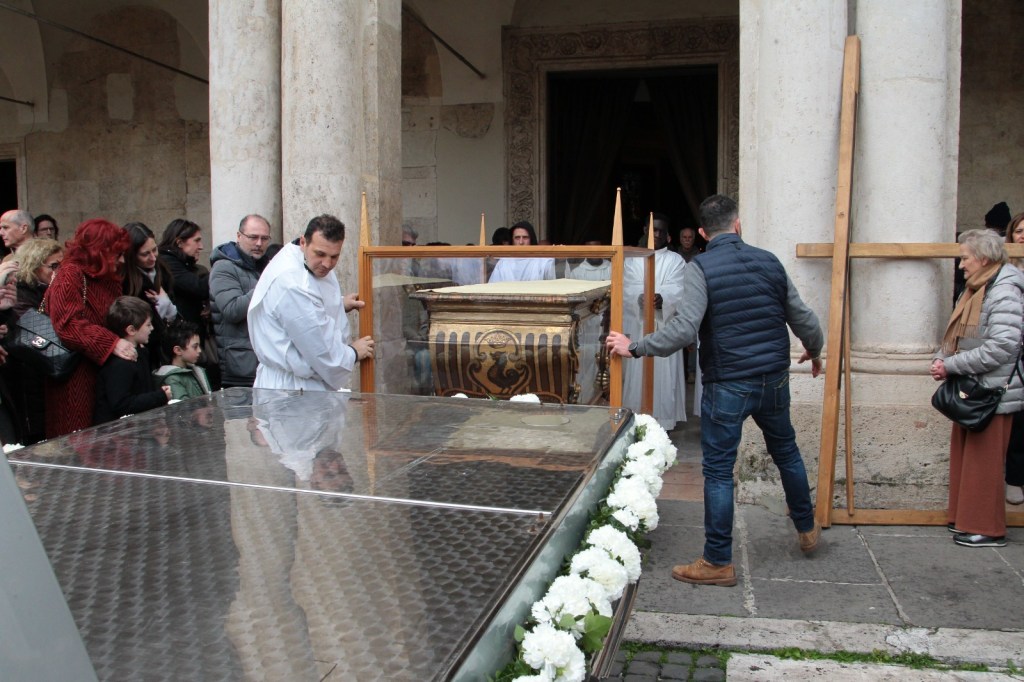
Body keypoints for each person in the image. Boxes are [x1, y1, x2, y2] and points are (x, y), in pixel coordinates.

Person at [606, 194, 824, 586]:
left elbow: (684, 330)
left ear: (703, 233)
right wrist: (815, 349)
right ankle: (807, 528)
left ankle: (718, 561)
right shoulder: (769, 261)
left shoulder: (702, 267)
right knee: (786, 450)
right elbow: (803, 317)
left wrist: (634, 346)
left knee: (719, 471)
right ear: (738, 225)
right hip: (773, 377)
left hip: (728, 382)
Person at [932, 229, 1024, 547]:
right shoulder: (979, 287)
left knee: (983, 464)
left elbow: (1002, 346)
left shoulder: (1004, 290)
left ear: (983, 259)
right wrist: (941, 359)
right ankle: (966, 519)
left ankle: (989, 528)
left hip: (993, 390)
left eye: (964, 258)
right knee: (967, 457)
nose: (961, 265)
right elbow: (961, 335)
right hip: (975, 385)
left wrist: (951, 365)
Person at [248, 214, 374, 391]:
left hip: (304, 383)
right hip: (293, 389)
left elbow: (308, 305)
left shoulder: (303, 259)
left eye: (334, 257)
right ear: (303, 242)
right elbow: (320, 351)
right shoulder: (292, 283)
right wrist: (353, 353)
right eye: (320, 254)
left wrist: (339, 304)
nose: (327, 264)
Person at [44, 219, 135, 437]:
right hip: (76, 376)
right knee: (78, 440)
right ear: (99, 251)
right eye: (116, 253)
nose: (121, 259)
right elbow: (68, 324)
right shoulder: (70, 274)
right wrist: (111, 343)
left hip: (105, 373)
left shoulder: (107, 278)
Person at [622, 214, 687, 430]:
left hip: (664, 326)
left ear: (668, 236)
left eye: (660, 231)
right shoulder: (632, 260)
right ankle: (635, 418)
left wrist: (663, 299)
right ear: (644, 230)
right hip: (640, 325)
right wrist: (639, 297)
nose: (656, 234)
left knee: (664, 375)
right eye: (652, 230)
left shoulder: (676, 260)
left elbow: (680, 288)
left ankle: (664, 421)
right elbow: (625, 287)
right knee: (637, 372)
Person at [209, 214, 279, 388]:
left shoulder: (266, 266)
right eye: (253, 237)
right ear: (239, 236)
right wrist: (267, 285)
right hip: (240, 368)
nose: (259, 243)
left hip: (266, 362)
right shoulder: (223, 267)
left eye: (264, 238)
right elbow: (232, 309)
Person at [5, 238, 63, 443]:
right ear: (34, 265)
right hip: (28, 378)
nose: (59, 271)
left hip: (47, 378)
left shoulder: (49, 290)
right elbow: (39, 330)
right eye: (53, 266)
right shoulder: (19, 293)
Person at [93, 296, 171, 424]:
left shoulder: (141, 353)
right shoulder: (120, 364)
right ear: (131, 330)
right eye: (148, 324)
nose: (152, 328)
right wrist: (160, 396)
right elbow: (122, 404)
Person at [123, 223, 178, 369]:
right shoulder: (126, 281)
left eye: (154, 250)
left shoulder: (163, 271)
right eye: (145, 254)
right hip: (143, 352)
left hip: (165, 348)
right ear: (131, 255)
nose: (153, 257)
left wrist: (166, 304)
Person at [1005, 212, 1024, 506]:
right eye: (1019, 231)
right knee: (1018, 419)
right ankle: (1015, 480)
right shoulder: (1006, 270)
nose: (1023, 236)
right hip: (1015, 354)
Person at [154, 319, 212, 400]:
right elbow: (183, 409)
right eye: (195, 347)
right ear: (178, 350)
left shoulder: (195, 370)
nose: (199, 350)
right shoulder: (172, 379)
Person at [488, 221, 555, 283]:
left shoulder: (542, 261)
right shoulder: (503, 263)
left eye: (525, 237)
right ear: (512, 240)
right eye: (517, 238)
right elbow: (492, 289)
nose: (521, 242)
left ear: (531, 239)